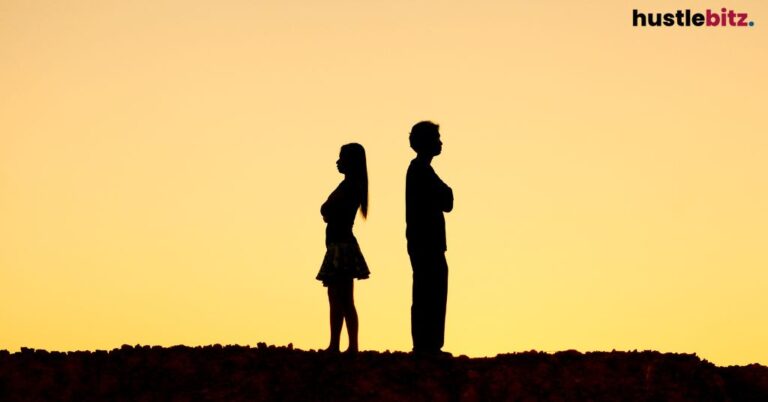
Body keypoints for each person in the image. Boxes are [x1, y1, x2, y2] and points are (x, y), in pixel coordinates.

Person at [316, 143, 370, 354]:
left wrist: (327, 211)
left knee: (343, 298)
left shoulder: (349, 187)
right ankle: (337, 344)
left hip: (341, 246)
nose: (338, 162)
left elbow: (328, 209)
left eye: (342, 158)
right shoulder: (350, 186)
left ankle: (348, 345)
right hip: (338, 245)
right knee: (338, 297)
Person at [406, 121, 453, 356]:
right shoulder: (421, 171)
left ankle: (428, 344)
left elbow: (447, 200)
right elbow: (448, 199)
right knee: (429, 291)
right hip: (427, 243)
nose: (441, 142)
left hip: (425, 242)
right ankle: (427, 345)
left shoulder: (422, 171)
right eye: (437, 138)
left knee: (428, 290)